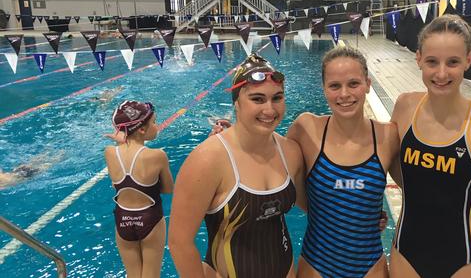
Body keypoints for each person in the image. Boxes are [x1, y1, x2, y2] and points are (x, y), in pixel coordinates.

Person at [208, 48, 399, 277]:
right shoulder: (307, 129)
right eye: (335, 86)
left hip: (371, 267)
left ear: (368, 84)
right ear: (324, 88)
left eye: (354, 84)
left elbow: (419, 192)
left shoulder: (387, 137)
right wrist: (233, 140)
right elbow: (270, 156)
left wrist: (365, 212)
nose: (344, 94)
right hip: (316, 266)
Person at [389, 15, 471, 277]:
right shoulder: (405, 107)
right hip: (405, 255)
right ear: (418, 59)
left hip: (464, 260)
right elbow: (394, 170)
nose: (441, 73)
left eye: (452, 62)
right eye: (432, 62)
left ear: (469, 60)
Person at [168, 54, 305, 278]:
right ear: (237, 103)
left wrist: (363, 216)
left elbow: (312, 206)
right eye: (257, 99)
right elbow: (179, 243)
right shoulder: (208, 159)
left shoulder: (290, 152)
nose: (270, 110)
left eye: (277, 98)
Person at [105, 100, 173, 278]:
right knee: (151, 274)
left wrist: (123, 142)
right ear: (142, 129)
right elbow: (167, 189)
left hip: (122, 219)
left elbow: (116, 183)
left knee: (133, 274)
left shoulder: (110, 152)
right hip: (150, 218)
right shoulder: (157, 155)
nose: (157, 126)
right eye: (154, 122)